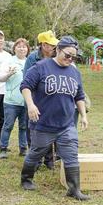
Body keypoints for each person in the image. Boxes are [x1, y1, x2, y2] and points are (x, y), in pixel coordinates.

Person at [19, 36, 90, 200]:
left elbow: (79, 95)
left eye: (74, 56)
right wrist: (30, 105)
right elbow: (25, 86)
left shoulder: (74, 72)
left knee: (71, 154)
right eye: (67, 55)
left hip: (66, 124)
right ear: (57, 50)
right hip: (43, 123)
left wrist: (84, 116)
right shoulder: (41, 67)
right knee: (36, 153)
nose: (70, 59)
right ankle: (26, 179)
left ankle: (74, 189)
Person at [24, 30, 59, 169]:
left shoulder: (56, 57)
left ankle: (49, 159)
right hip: (35, 99)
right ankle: (35, 159)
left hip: (51, 99)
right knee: (34, 129)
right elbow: (27, 80)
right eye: (51, 45)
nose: (54, 47)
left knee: (50, 128)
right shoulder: (33, 58)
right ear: (44, 45)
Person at [0, 38, 30, 157]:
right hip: (11, 101)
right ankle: (3, 148)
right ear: (14, 48)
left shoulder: (30, 62)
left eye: (24, 46)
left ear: (27, 49)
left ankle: (23, 148)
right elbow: (0, 78)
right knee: (8, 125)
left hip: (26, 101)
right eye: (19, 46)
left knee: (24, 126)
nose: (22, 48)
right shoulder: (9, 61)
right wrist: (9, 74)